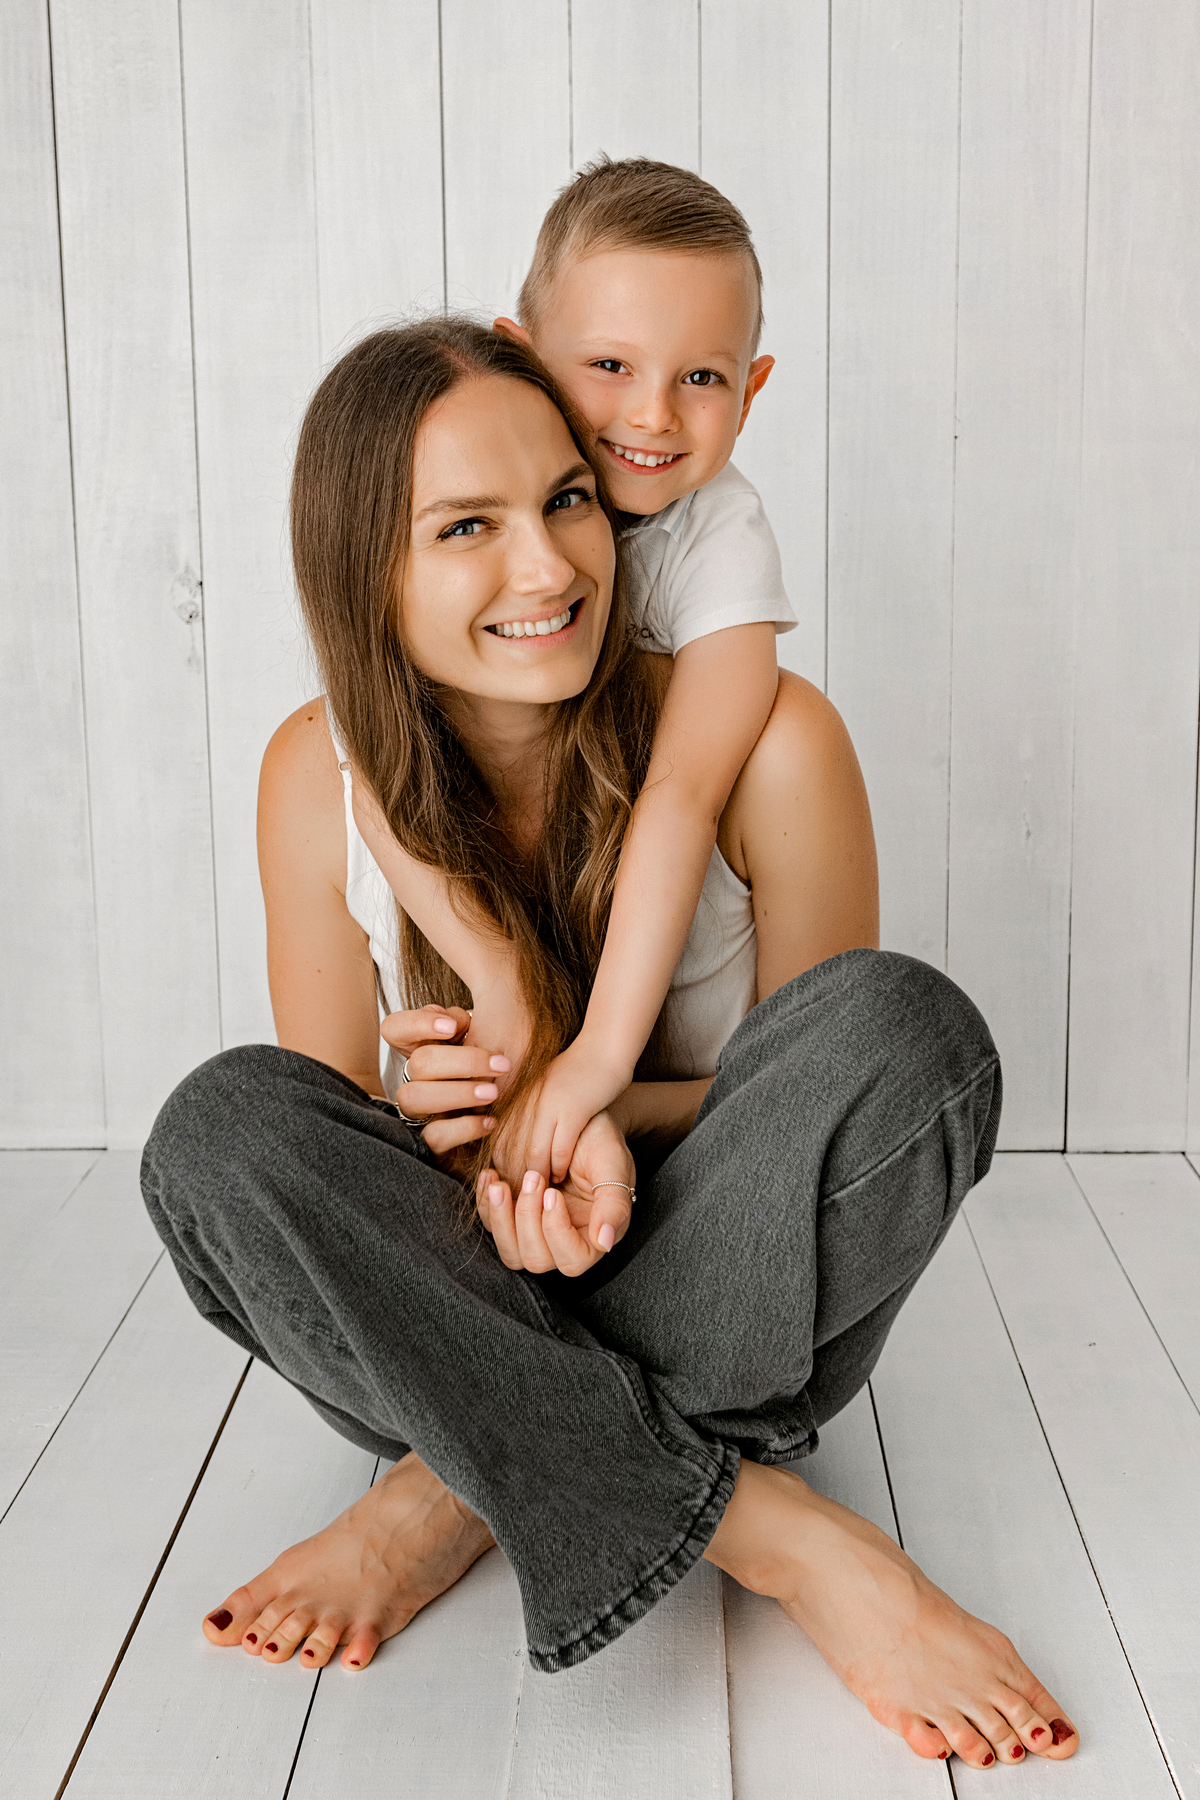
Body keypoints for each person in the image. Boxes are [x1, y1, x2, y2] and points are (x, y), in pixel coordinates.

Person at [142, 318, 1079, 1773]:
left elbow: (811, 1103)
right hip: (469, 1283)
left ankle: (455, 1488)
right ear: (366, 576)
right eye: (467, 527)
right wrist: (432, 1125)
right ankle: (789, 1543)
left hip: (725, 1279)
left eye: (567, 500)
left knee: (912, 1032)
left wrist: (603, 1112)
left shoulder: (773, 743)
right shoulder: (308, 777)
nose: (549, 569)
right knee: (221, 1130)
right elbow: (330, 1178)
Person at [352, 158, 795, 1187]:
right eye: (608, 366)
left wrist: (595, 1064)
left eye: (702, 377)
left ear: (752, 388)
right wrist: (500, 984)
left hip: (671, 1062)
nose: (650, 418)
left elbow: (683, 795)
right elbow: (366, 743)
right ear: (522, 357)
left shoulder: (720, 533)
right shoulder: (442, 488)